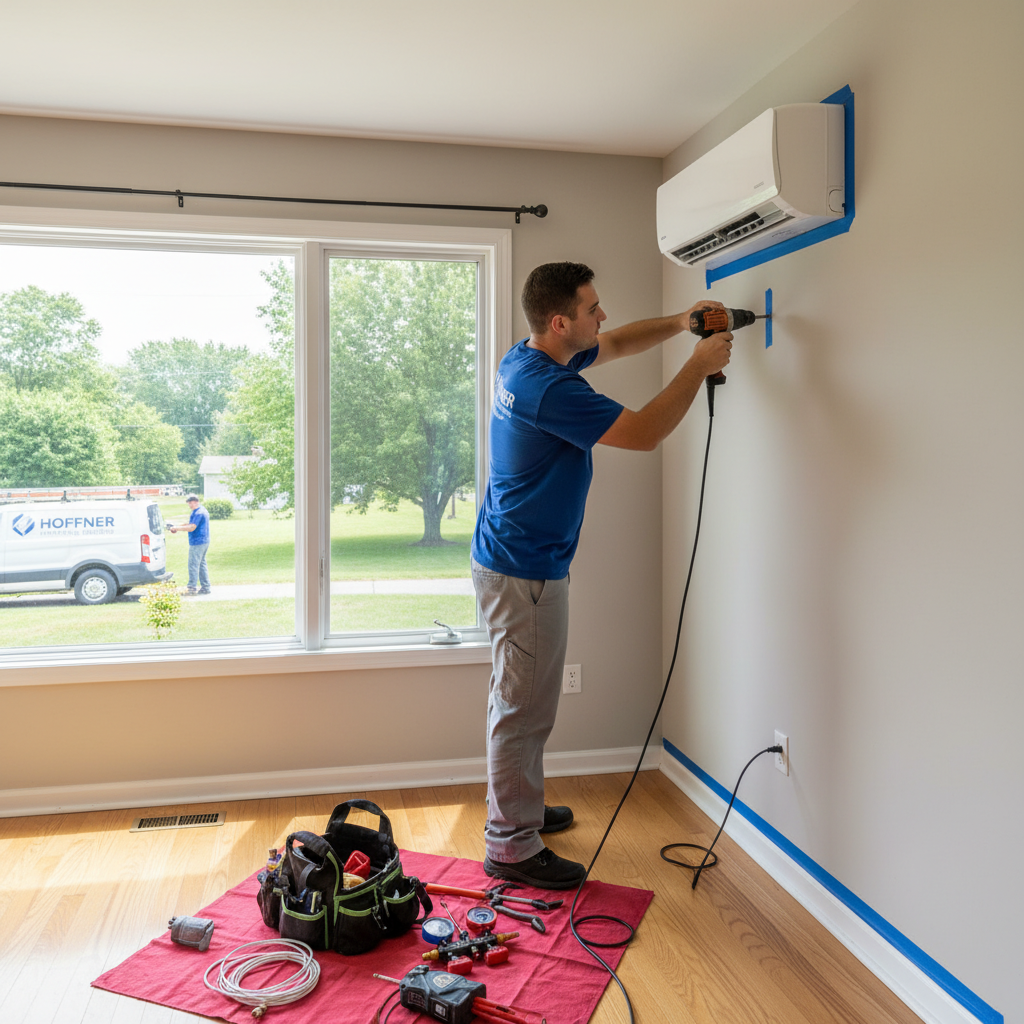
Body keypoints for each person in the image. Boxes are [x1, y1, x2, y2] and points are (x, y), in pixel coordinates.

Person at [471, 262, 732, 889]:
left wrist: (679, 322)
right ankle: (510, 845)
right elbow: (642, 434)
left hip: (514, 560)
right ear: (560, 322)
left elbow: (613, 345)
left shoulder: (531, 358)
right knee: (523, 708)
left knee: (519, 700)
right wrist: (698, 364)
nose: (602, 317)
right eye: (592, 309)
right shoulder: (549, 390)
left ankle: (521, 810)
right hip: (524, 570)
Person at [169, 494, 212, 595]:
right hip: (204, 541)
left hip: (198, 542)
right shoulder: (201, 510)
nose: (189, 505)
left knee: (193, 564)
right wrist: (176, 526)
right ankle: (206, 587)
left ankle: (191, 588)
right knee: (201, 565)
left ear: (195, 502)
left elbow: (192, 527)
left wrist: (177, 529)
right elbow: (189, 524)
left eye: (190, 503)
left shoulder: (199, 513)